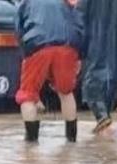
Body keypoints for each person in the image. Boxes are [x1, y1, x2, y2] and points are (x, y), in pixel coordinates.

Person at [15, 0, 84, 142]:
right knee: (66, 92)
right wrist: (79, 55)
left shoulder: (26, 2)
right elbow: (79, 24)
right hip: (67, 44)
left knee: (27, 95)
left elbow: (18, 29)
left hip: (37, 43)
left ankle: (31, 143)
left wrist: (25, 53)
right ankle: (71, 140)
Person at [78, 0, 117, 133]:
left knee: (93, 84)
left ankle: (102, 118)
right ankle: (105, 120)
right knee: (112, 81)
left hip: (97, 39)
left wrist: (79, 43)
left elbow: (80, 15)